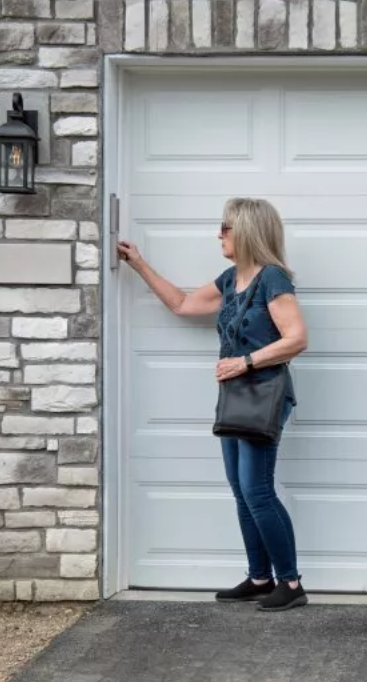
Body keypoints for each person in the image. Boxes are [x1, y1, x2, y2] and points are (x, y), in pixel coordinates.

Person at [116, 197, 309, 613]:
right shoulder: (231, 279)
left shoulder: (272, 278)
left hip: (264, 395)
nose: (219, 234)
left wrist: (245, 361)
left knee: (257, 490)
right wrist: (139, 265)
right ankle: (260, 578)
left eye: (226, 228)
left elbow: (296, 338)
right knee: (242, 490)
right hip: (235, 397)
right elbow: (183, 304)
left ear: (248, 232)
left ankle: (290, 582)